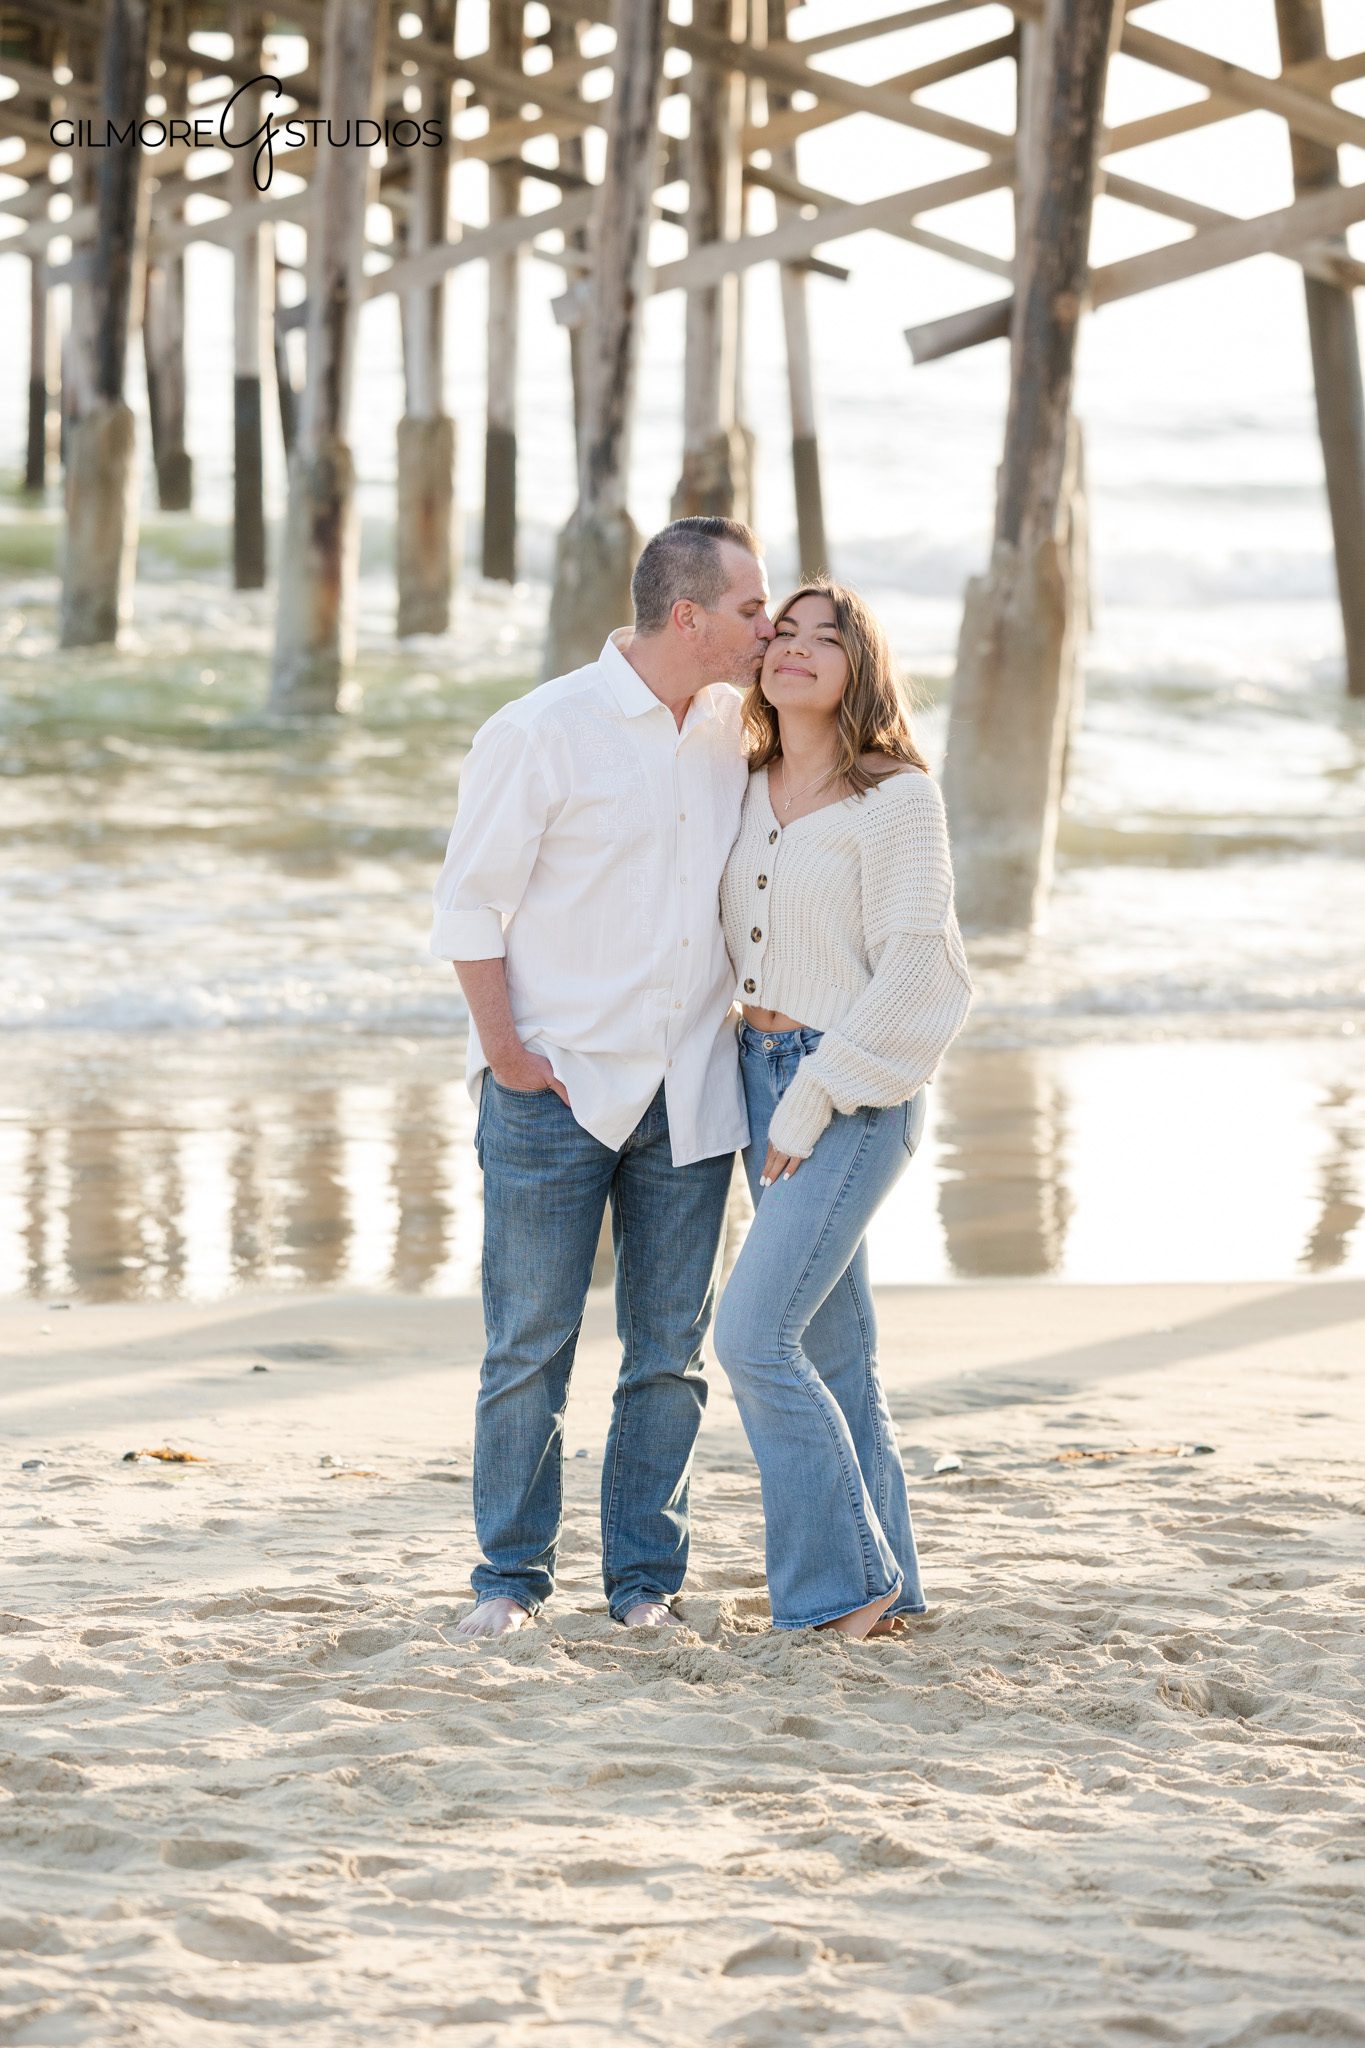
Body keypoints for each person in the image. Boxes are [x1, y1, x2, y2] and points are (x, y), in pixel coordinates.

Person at [430, 516, 774, 1637]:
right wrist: (508, 1058)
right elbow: (469, 907)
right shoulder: (542, 731)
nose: (765, 625)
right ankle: (510, 1583)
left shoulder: (736, 727)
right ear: (690, 618)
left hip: (692, 1091)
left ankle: (643, 1585)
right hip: (558, 1090)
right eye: (751, 608)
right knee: (529, 1345)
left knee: (669, 1358)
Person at [712, 579, 973, 1640]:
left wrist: (814, 1095)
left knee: (752, 1334)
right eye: (784, 632)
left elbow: (926, 973)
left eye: (830, 637)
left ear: (860, 669)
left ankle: (838, 1587)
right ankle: (893, 1582)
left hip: (853, 1087)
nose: (799, 648)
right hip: (755, 1068)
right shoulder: (741, 785)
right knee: (833, 1353)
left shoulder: (898, 797)